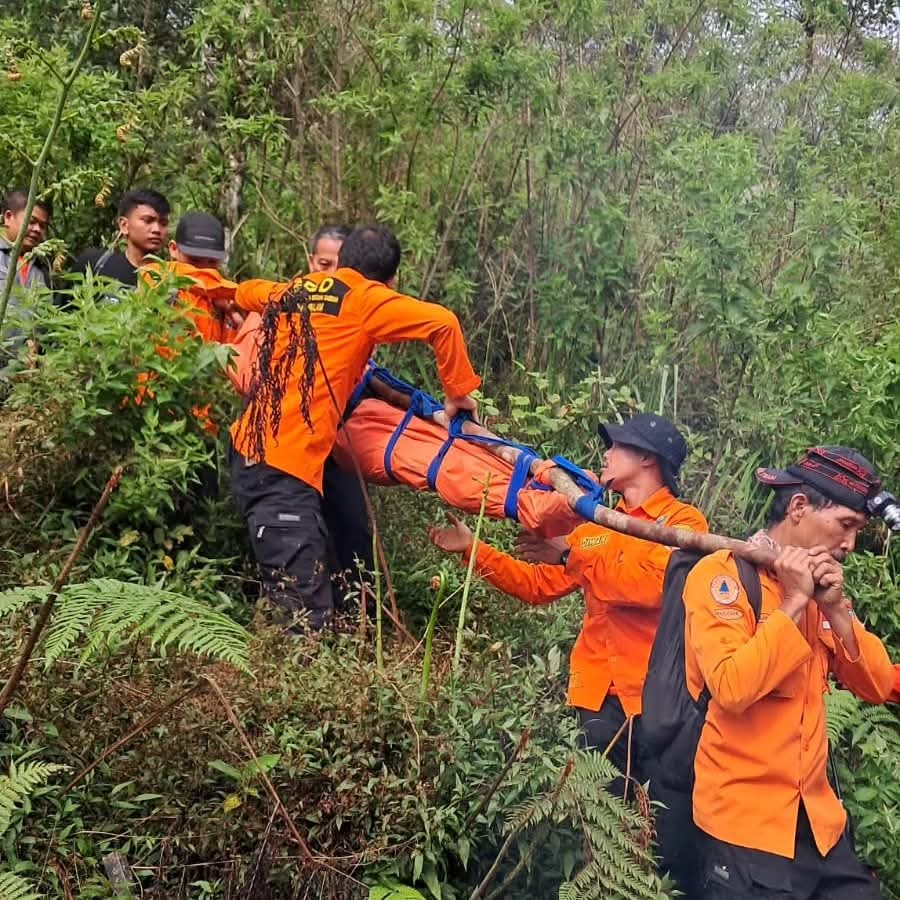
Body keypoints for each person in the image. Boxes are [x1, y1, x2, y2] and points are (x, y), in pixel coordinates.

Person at [430, 414, 708, 799]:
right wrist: (474, 550)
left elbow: (651, 587)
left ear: (648, 458)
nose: (605, 455)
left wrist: (568, 556)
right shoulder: (593, 526)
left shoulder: (683, 521)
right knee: (598, 815)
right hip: (595, 696)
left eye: (616, 446)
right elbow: (538, 586)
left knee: (656, 819)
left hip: (654, 698)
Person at [229, 223, 481, 631]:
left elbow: (246, 291)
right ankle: (295, 682)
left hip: (260, 453)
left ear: (340, 262)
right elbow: (443, 323)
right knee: (302, 613)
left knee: (334, 561)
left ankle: (344, 648)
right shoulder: (366, 301)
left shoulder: (297, 288)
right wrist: (458, 393)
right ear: (391, 282)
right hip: (280, 467)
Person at [684, 446, 894, 899]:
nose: (850, 545)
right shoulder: (722, 577)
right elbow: (731, 687)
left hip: (817, 823)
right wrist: (793, 602)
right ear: (799, 508)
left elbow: (876, 685)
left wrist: (835, 609)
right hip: (745, 828)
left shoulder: (825, 589)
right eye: (845, 526)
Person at [72, 188, 170, 288]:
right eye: (148, 221)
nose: (157, 229)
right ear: (124, 225)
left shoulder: (170, 280)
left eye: (163, 223)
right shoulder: (95, 264)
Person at [0, 189, 52, 363]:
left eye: (42, 226)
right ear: (8, 217)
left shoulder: (43, 269)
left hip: (26, 375)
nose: (37, 229)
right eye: (31, 221)